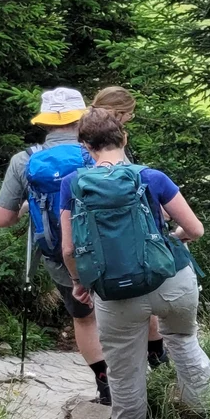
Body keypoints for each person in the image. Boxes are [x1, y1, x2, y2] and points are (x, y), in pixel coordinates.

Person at [57, 110, 210, 419]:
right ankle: (209, 415)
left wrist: (79, 283)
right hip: (171, 280)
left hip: (115, 294)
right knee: (184, 341)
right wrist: (173, 236)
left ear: (85, 146)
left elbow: (68, 249)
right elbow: (195, 229)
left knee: (124, 367)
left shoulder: (72, 184)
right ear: (124, 137)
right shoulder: (152, 177)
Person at [0, 88, 109, 403]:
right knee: (119, 310)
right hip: (110, 250)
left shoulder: (25, 160)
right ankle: (139, 378)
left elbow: (2, 218)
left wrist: (31, 204)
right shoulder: (100, 151)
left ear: (45, 122)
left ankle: (105, 383)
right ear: (82, 117)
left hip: (60, 257)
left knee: (84, 317)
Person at [88, 84, 168, 368]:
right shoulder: (104, 140)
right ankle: (153, 360)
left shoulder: (85, 135)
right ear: (118, 113)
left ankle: (114, 376)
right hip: (118, 234)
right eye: (128, 115)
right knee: (137, 295)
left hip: (89, 238)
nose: (128, 121)